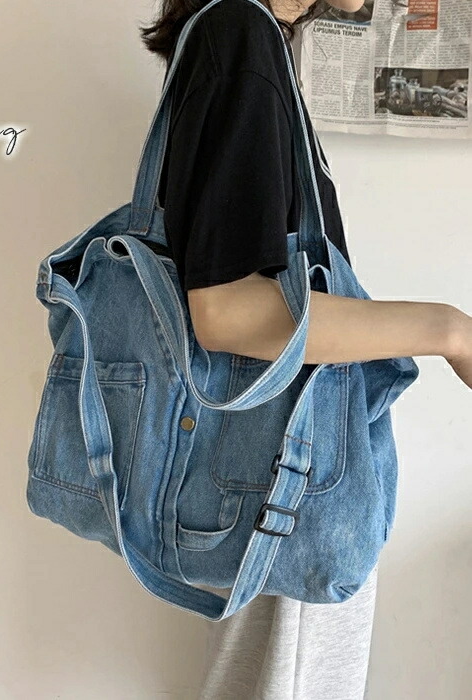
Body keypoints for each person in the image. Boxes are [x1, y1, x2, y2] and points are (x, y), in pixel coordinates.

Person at [140, 0, 472, 697]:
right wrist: (449, 331)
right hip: (285, 473)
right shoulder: (240, 35)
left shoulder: (250, 39)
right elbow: (226, 312)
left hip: (278, 466)